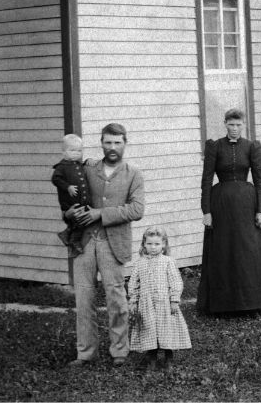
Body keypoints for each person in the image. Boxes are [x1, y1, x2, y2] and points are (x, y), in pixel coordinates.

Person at [68, 123, 145, 367]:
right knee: (83, 297)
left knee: (116, 298)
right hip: (85, 241)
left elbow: (137, 209)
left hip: (113, 244)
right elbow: (69, 196)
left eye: (117, 142)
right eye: (108, 142)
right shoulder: (88, 169)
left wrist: (100, 213)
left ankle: (120, 351)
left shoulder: (133, 173)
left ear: (125, 143)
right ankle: (86, 352)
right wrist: (70, 212)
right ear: (101, 143)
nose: (112, 147)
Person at [196, 108, 261, 314]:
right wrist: (206, 211)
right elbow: (206, 180)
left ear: (244, 125)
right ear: (225, 124)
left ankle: (255, 301)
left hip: (247, 204)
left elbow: (259, 180)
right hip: (221, 206)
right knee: (225, 251)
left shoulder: (251, 146)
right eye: (231, 124)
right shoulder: (215, 147)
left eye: (238, 125)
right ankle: (225, 304)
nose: (235, 129)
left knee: (249, 251)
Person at [129, 226, 192, 371]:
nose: (153, 247)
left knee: (166, 331)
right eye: (149, 244)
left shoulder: (168, 261)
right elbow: (134, 283)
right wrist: (133, 301)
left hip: (164, 304)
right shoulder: (139, 263)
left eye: (157, 244)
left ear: (163, 244)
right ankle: (151, 358)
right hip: (146, 305)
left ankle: (168, 358)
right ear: (144, 244)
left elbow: (175, 281)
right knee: (149, 330)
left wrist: (174, 300)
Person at [51, 134, 91, 256]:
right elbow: (55, 179)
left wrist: (88, 162)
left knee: (81, 221)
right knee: (78, 221)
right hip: (69, 202)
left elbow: (82, 170)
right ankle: (74, 241)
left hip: (80, 201)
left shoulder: (77, 164)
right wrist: (67, 187)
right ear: (64, 152)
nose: (76, 153)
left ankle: (66, 234)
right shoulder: (62, 167)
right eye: (72, 150)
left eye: (79, 151)